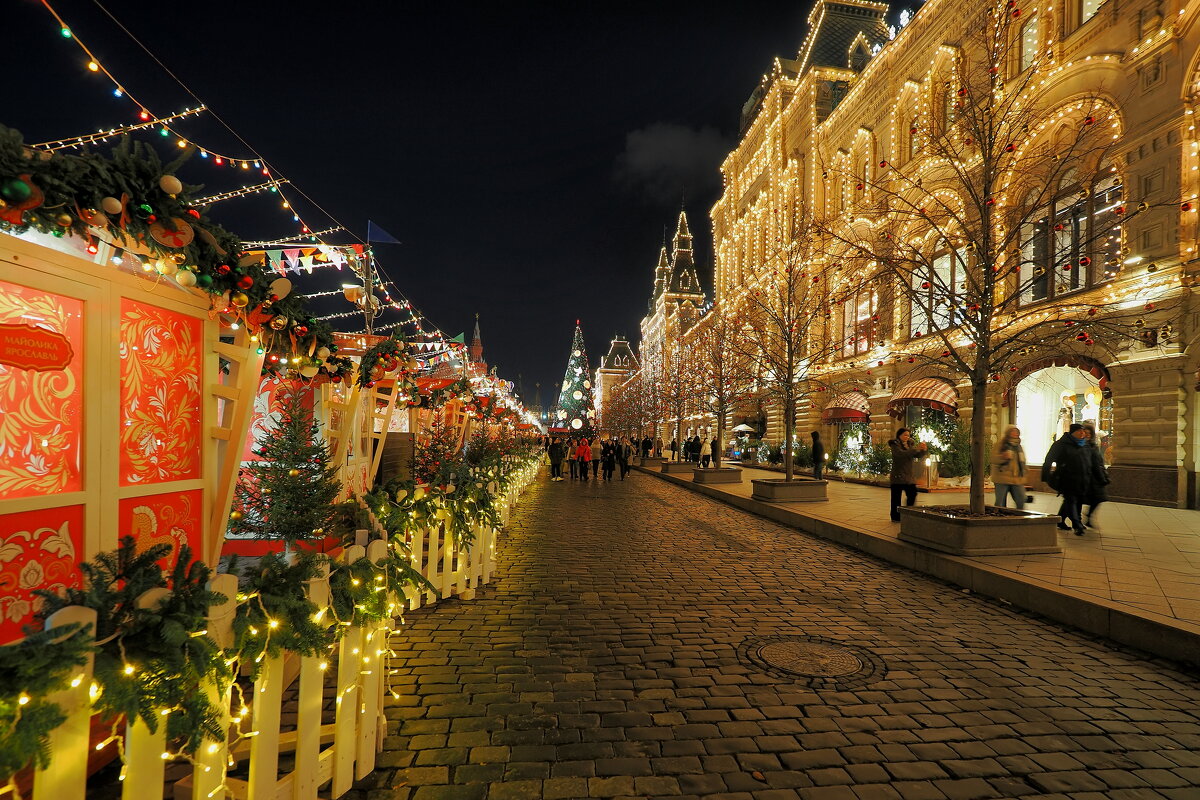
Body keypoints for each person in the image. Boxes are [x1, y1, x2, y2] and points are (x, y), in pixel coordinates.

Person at [1043, 423, 1091, 534]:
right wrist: (1046, 476)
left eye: (1083, 431)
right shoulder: (1061, 444)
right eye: (1079, 431)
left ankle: (1060, 521)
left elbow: (1089, 462)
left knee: (1074, 501)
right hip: (1067, 478)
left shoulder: (1084, 445)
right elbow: (1049, 460)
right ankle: (1077, 524)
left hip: (1082, 479)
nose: (1082, 433)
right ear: (1073, 432)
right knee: (1071, 500)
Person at [888, 428, 927, 521]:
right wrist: (915, 450)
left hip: (908, 475)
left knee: (912, 493)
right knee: (896, 498)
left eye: (908, 435)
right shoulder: (895, 444)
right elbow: (900, 454)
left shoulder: (909, 444)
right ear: (899, 435)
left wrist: (923, 450)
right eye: (905, 435)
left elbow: (916, 455)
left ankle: (908, 512)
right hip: (898, 475)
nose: (907, 437)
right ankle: (895, 516)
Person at [1082, 422, 1109, 528]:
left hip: (1095, 477)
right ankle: (1077, 519)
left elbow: (1098, 462)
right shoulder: (1083, 447)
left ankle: (1088, 516)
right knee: (1093, 498)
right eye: (1086, 433)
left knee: (1098, 498)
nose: (1087, 435)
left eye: (1089, 433)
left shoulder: (1093, 446)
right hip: (1088, 477)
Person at [991, 426, 1026, 508]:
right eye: (1013, 431)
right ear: (1008, 433)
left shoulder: (1019, 447)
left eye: (1017, 432)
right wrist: (1002, 457)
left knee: (1021, 500)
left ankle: (1019, 515)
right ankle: (1000, 515)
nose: (1015, 433)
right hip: (1002, 478)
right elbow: (993, 459)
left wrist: (1025, 472)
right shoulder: (1000, 445)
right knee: (1000, 503)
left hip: (1016, 479)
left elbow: (1023, 461)